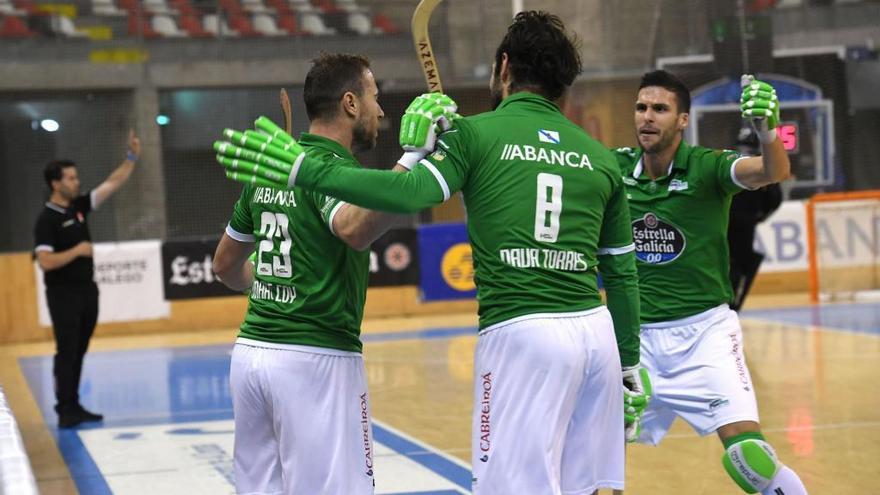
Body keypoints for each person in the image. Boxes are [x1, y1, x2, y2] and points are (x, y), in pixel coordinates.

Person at [214, 12, 645, 495]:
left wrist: (305, 169)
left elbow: (404, 195)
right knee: (579, 484)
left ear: (504, 68)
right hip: (597, 336)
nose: (381, 111)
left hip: (523, 332)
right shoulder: (602, 157)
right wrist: (630, 364)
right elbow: (623, 273)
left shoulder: (476, 135)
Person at [211, 53, 428, 495]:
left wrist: (272, 284)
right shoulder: (334, 173)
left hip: (251, 356)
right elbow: (353, 227)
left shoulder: (266, 173)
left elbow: (224, 265)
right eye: (375, 97)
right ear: (350, 103)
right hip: (315, 359)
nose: (381, 111)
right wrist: (413, 162)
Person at [610, 70, 808, 494]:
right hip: (631, 341)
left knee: (748, 459)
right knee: (587, 453)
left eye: (660, 109)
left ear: (682, 120)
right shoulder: (613, 168)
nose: (647, 117)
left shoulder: (708, 168)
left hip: (704, 336)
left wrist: (768, 130)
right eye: (642, 108)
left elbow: (774, 170)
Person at [33, 130, 141, 428]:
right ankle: (64, 408)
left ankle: (75, 403)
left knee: (80, 348)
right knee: (66, 350)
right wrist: (77, 250)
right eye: (69, 178)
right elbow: (45, 261)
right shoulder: (47, 220)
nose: (76, 182)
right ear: (55, 183)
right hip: (63, 293)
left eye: (75, 177)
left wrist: (130, 157)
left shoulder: (78, 208)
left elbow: (112, 183)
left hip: (86, 290)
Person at [728, 126, 782, 311]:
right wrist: (760, 216)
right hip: (747, 222)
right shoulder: (761, 166)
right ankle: (735, 302)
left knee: (730, 261)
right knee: (741, 262)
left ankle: (729, 302)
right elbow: (775, 198)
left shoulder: (729, 164)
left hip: (726, 222)